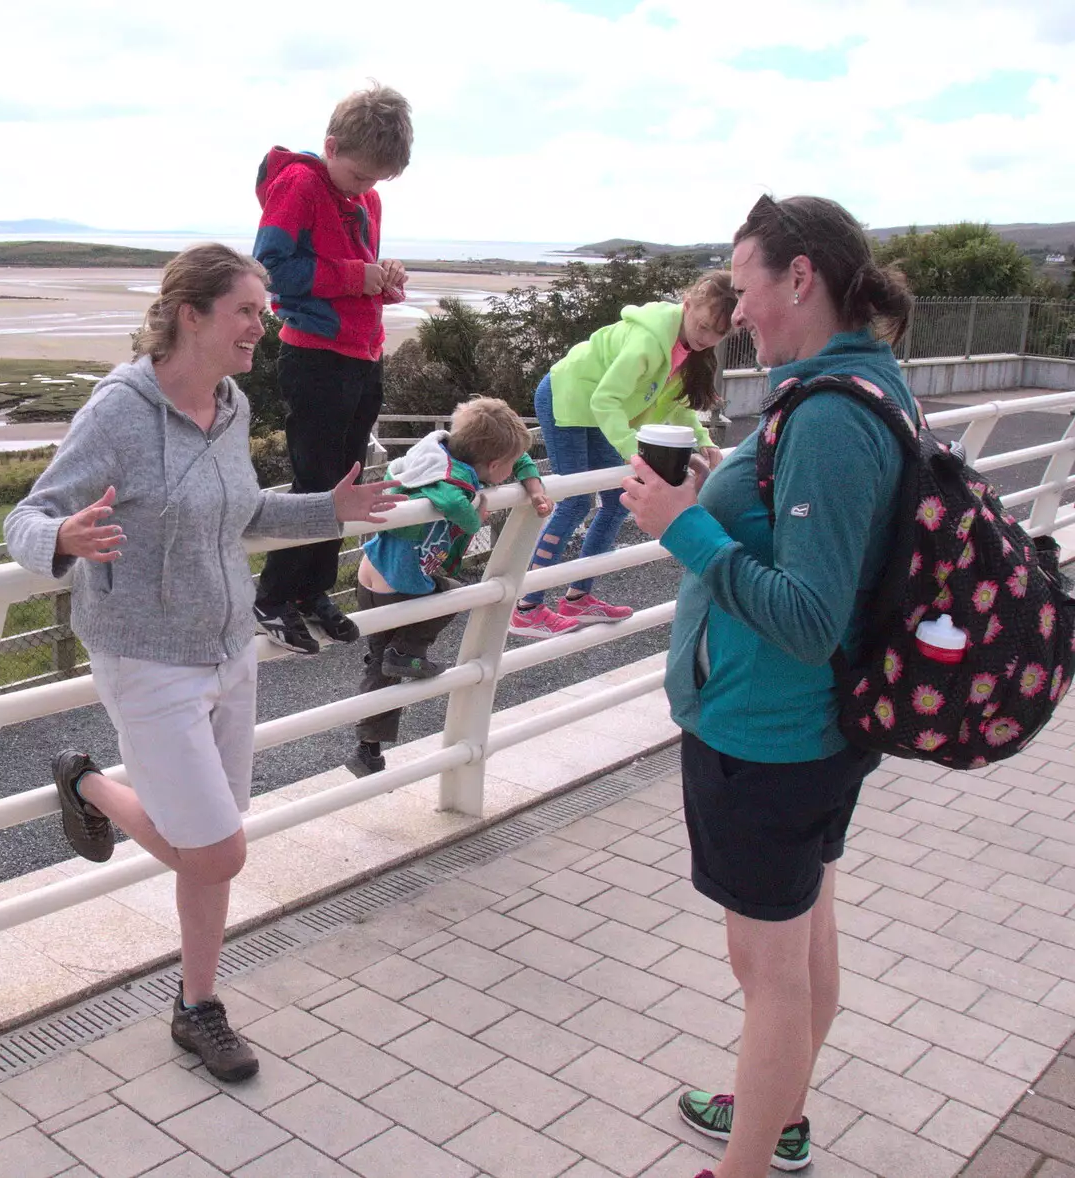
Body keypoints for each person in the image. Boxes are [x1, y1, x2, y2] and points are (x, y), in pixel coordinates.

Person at [2, 244, 402, 1082]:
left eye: (264, 311)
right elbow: (26, 516)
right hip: (145, 656)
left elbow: (245, 510)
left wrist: (328, 510)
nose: (265, 324)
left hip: (228, 648)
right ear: (193, 315)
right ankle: (87, 785)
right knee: (217, 850)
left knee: (213, 839)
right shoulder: (118, 411)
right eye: (249, 311)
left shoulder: (233, 404)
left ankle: (198, 1005)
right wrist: (62, 540)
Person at [620, 195, 916, 1178]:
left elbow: (806, 612)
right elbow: (806, 535)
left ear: (799, 278)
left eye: (744, 287)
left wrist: (685, 525)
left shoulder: (829, 413)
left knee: (769, 973)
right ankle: (775, 1113)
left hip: (769, 737)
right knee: (804, 939)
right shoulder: (851, 387)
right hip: (807, 732)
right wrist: (720, 487)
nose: (734, 311)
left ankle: (748, 1161)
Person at [250, 83, 414, 655]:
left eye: (376, 181)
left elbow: (357, 272)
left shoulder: (365, 199)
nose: (366, 189)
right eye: (359, 176)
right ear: (330, 146)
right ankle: (271, 597)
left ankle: (311, 592)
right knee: (315, 482)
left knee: (345, 482)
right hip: (314, 356)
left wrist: (382, 276)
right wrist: (355, 275)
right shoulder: (299, 184)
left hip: (363, 354)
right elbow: (269, 268)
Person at [509, 272, 736, 639]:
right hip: (567, 396)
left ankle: (578, 597)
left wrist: (703, 439)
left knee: (617, 501)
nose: (706, 338)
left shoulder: (687, 347)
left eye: (717, 334)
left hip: (601, 410)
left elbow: (674, 404)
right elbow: (604, 399)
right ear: (687, 304)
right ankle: (527, 607)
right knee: (576, 501)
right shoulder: (649, 340)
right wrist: (633, 452)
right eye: (703, 326)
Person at [346, 397, 553, 777]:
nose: (511, 473)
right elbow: (452, 503)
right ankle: (403, 653)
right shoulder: (447, 477)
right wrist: (474, 511)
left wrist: (534, 488)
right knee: (452, 597)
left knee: (382, 666)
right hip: (400, 581)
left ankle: (368, 749)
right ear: (492, 465)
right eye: (505, 469)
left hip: (373, 574)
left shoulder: (444, 453)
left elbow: (518, 458)